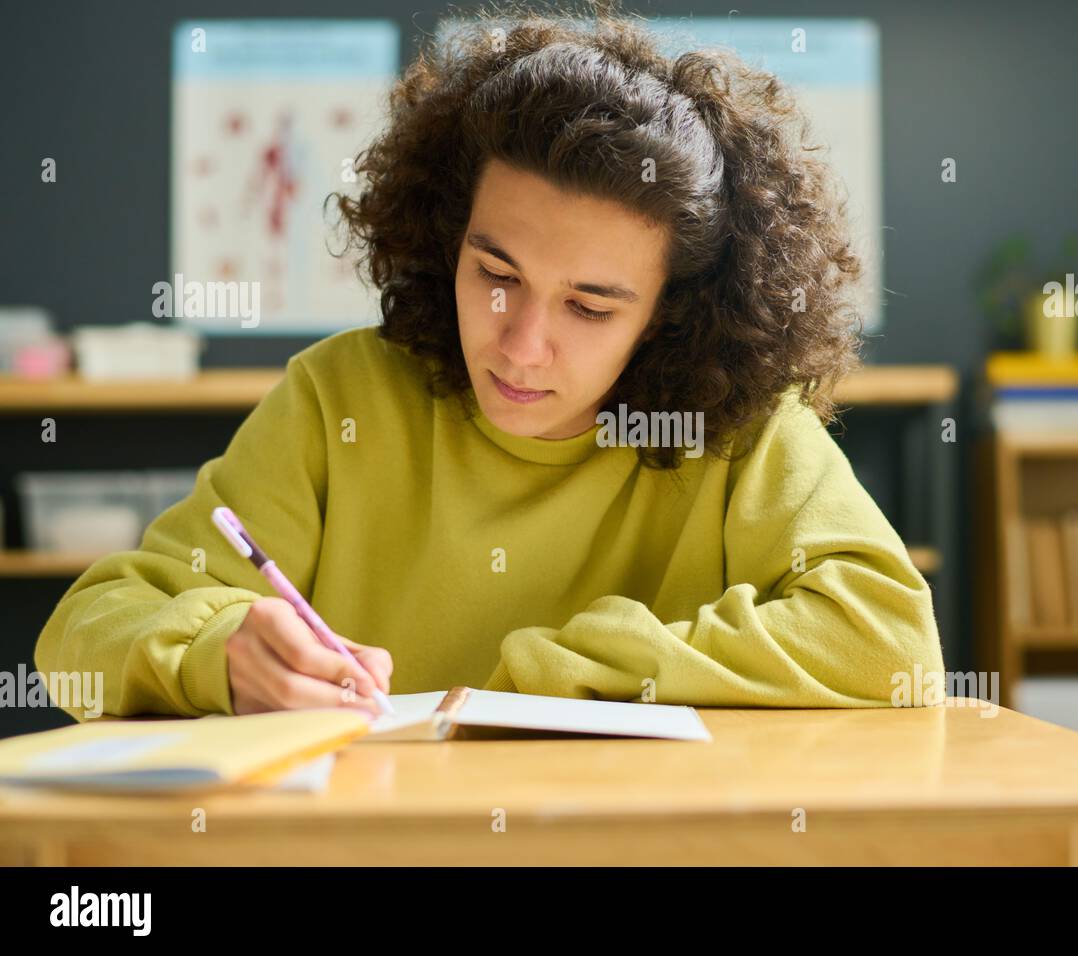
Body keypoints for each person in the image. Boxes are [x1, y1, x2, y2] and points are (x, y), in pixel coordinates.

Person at [35, 3, 944, 719]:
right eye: (495, 272)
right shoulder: (338, 398)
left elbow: (890, 641)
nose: (520, 342)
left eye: (590, 305)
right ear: (445, 238)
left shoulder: (734, 427)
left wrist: (555, 668)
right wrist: (218, 653)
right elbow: (78, 639)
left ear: (671, 315)